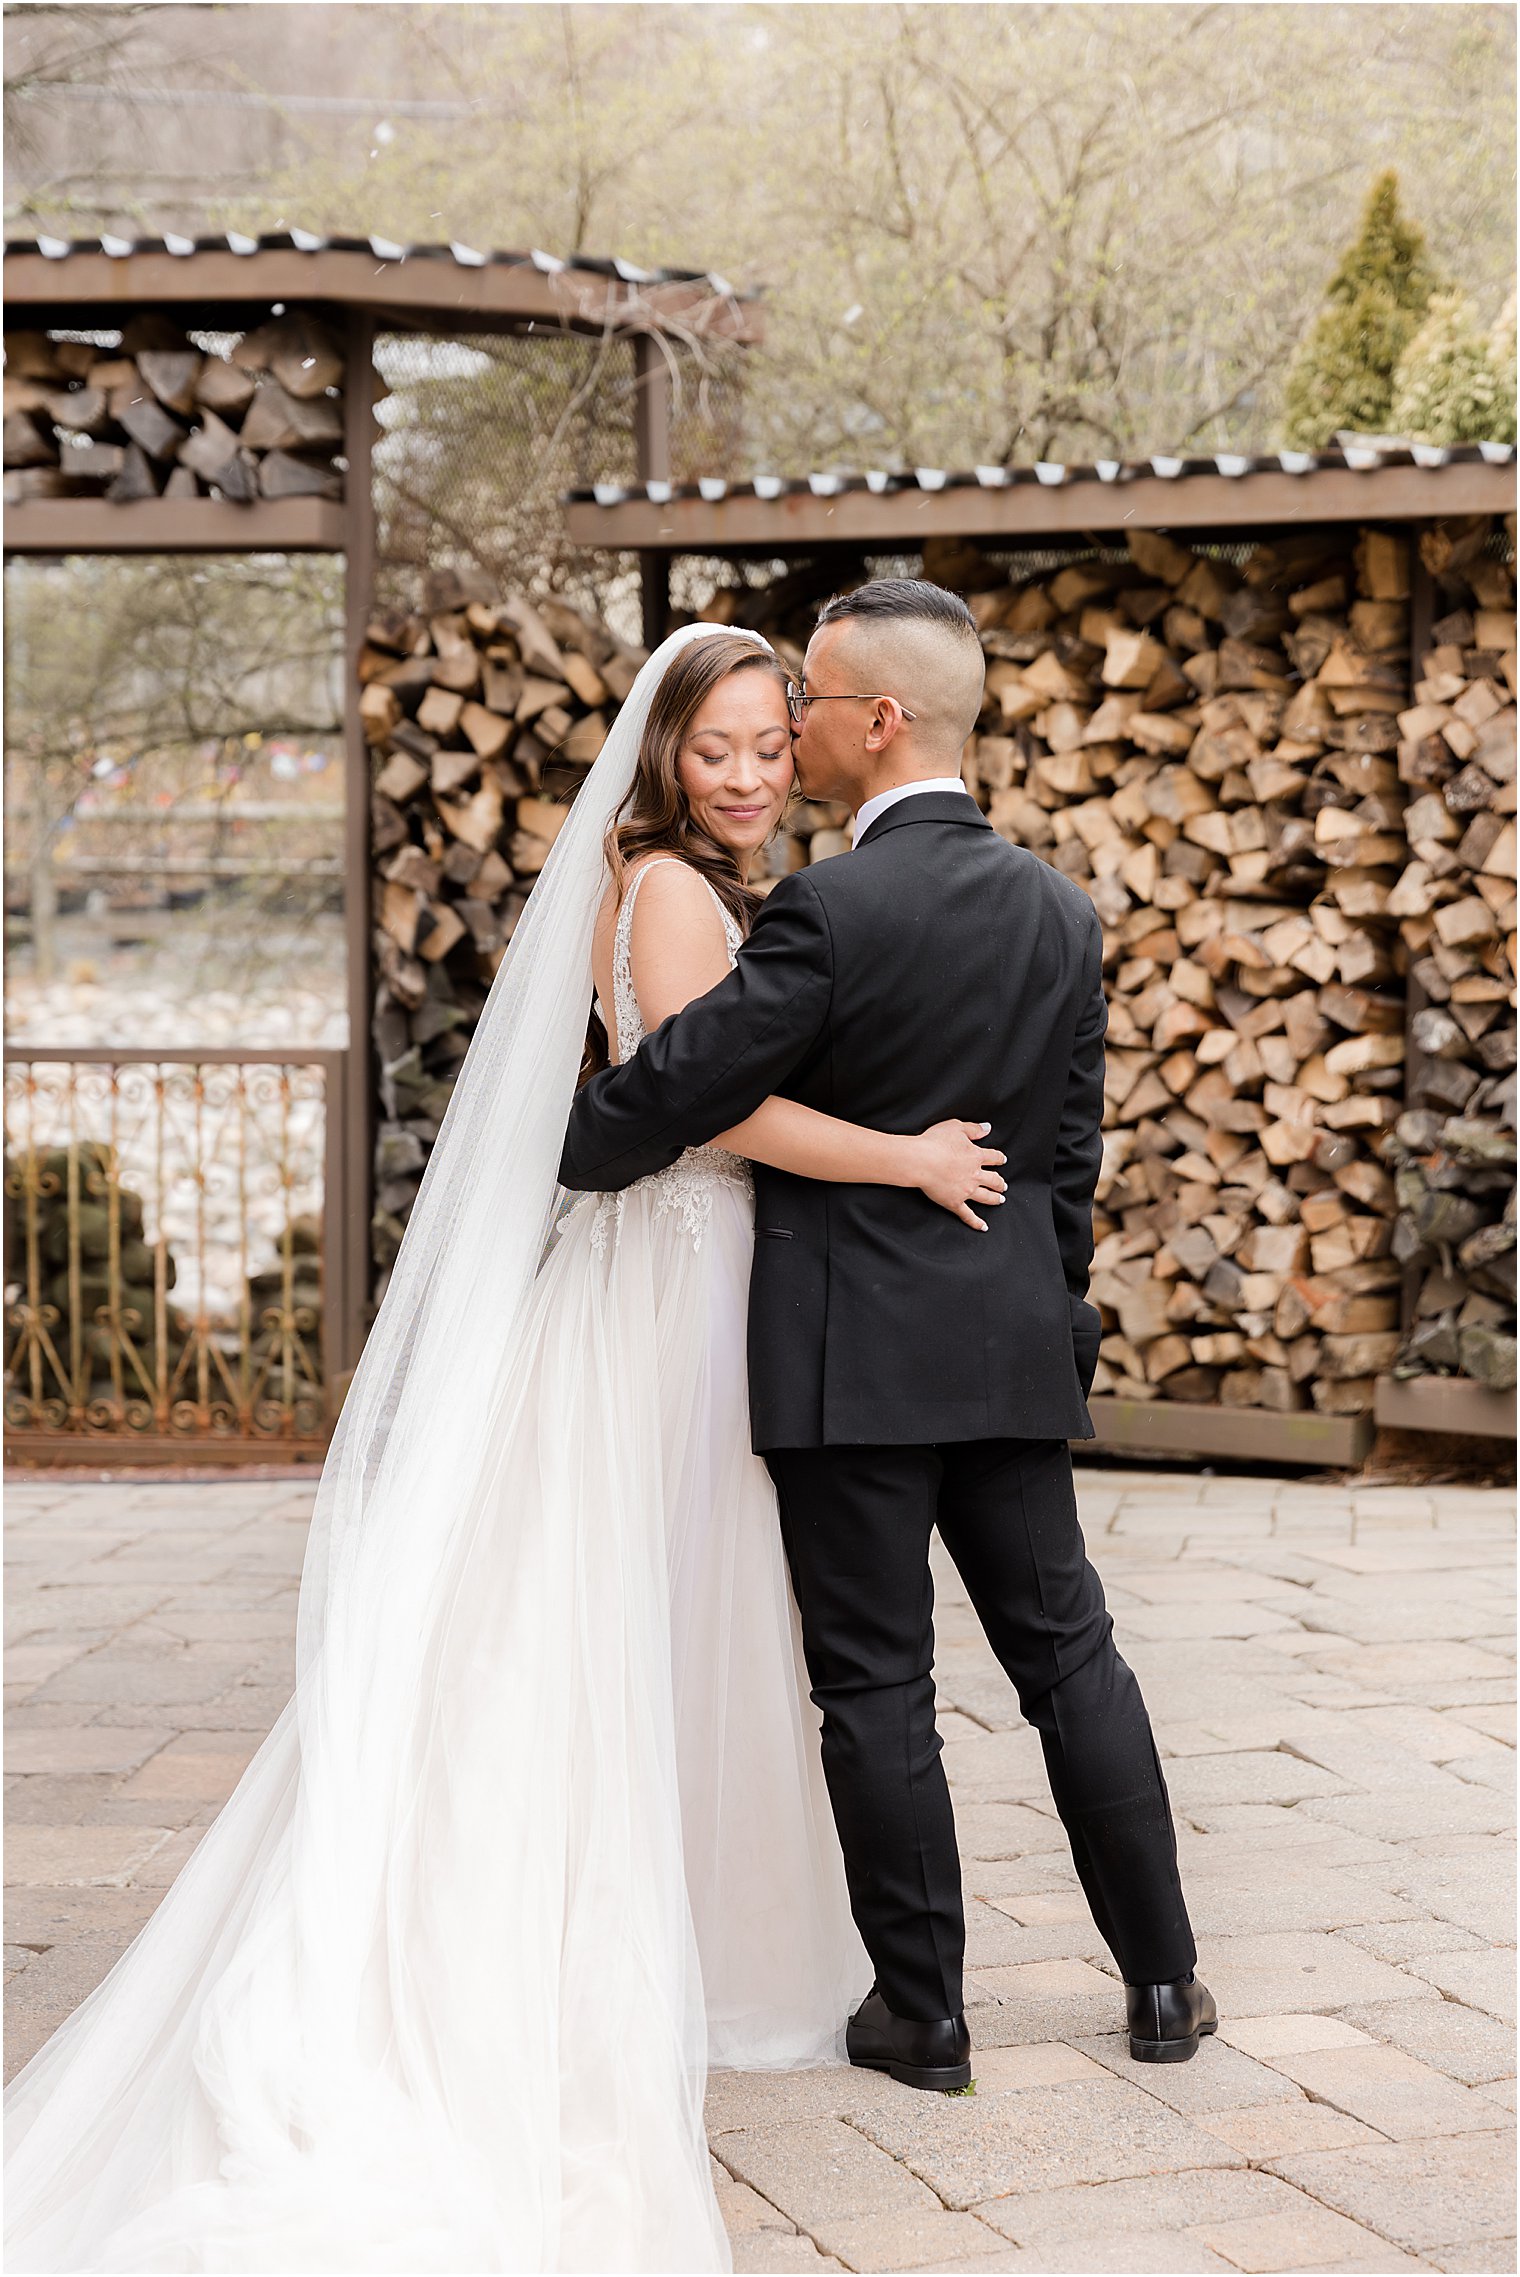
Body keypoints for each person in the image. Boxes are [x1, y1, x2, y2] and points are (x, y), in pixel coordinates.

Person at [4, 621, 1011, 2276]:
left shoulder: (674, 877)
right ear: (666, 755)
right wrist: (904, 1158)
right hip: (679, 1275)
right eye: (721, 750)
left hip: (671, 1270)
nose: (753, 775)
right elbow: (710, 1108)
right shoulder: (679, 891)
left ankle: (674, 1930)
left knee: (649, 1608)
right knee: (653, 1604)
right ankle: (632, 1950)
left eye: (773, 743)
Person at [562, 578, 1216, 2091]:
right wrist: (1051, 1329)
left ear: (878, 719)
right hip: (1002, 1350)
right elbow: (1066, 1167)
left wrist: (578, 1140)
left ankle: (924, 2017)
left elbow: (687, 1083)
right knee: (1074, 1663)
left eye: (809, 702)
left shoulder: (827, 907)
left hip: (846, 1357)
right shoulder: (1065, 912)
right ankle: (1167, 1980)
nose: (789, 728)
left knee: (877, 1687)